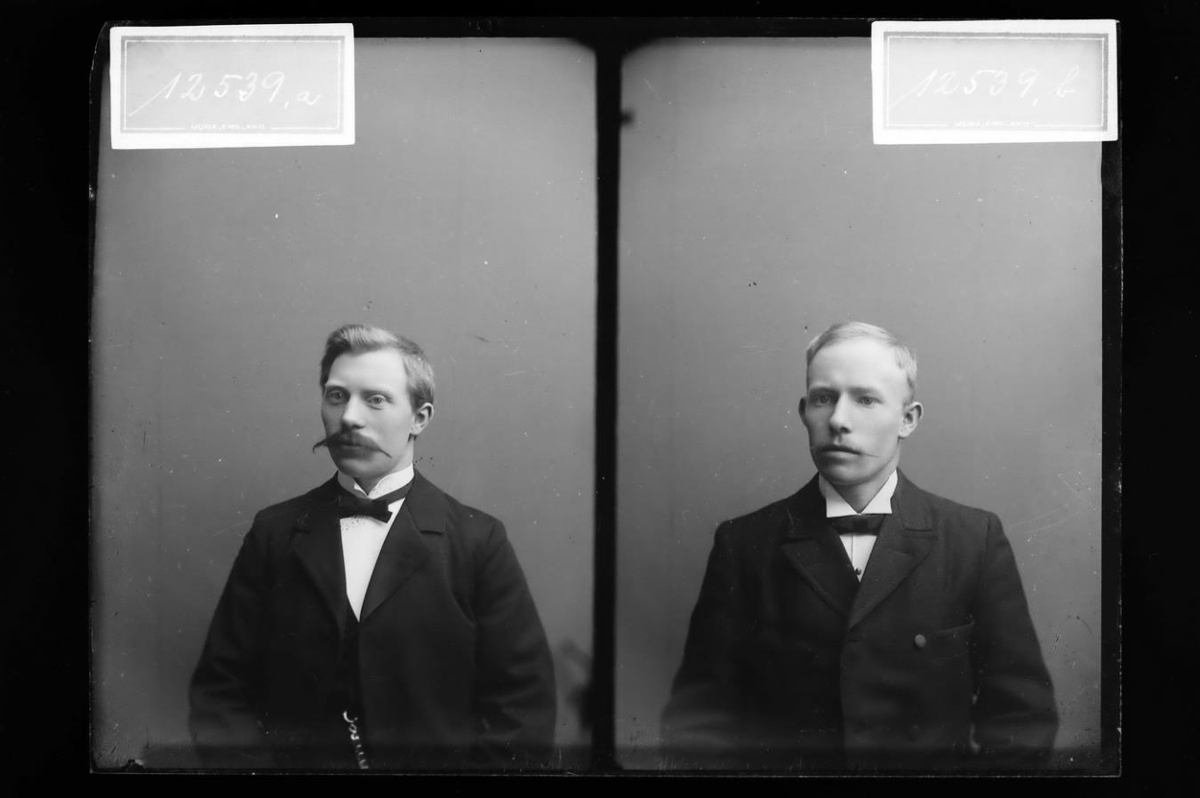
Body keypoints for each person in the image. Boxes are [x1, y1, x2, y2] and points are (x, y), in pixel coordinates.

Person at [661, 321, 1057, 771]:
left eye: (866, 399)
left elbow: (1023, 721)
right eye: (823, 398)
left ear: (908, 419)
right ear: (803, 411)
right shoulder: (745, 543)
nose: (838, 420)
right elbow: (698, 724)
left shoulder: (973, 538)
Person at [189, 324, 556, 769]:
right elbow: (221, 693)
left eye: (375, 399)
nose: (349, 417)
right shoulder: (275, 533)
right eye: (336, 396)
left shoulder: (478, 541)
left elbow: (523, 712)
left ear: (420, 418)